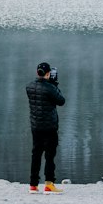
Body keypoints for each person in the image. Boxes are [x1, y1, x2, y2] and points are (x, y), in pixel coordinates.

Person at [26, 61, 65, 192]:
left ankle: (33, 185)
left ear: (37, 73)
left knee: (36, 154)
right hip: (49, 127)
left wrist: (50, 84)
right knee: (49, 155)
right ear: (48, 74)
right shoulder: (50, 88)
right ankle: (49, 183)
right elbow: (61, 101)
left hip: (36, 126)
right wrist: (54, 84)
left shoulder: (29, 86)